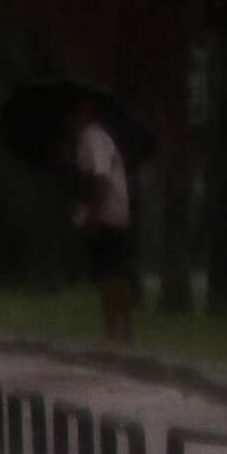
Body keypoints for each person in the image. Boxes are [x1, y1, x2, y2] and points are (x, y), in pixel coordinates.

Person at [69, 94, 138, 344]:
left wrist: (94, 214)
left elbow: (101, 177)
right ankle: (115, 330)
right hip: (107, 212)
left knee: (112, 273)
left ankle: (119, 330)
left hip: (108, 214)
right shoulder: (86, 140)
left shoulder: (93, 137)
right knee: (108, 273)